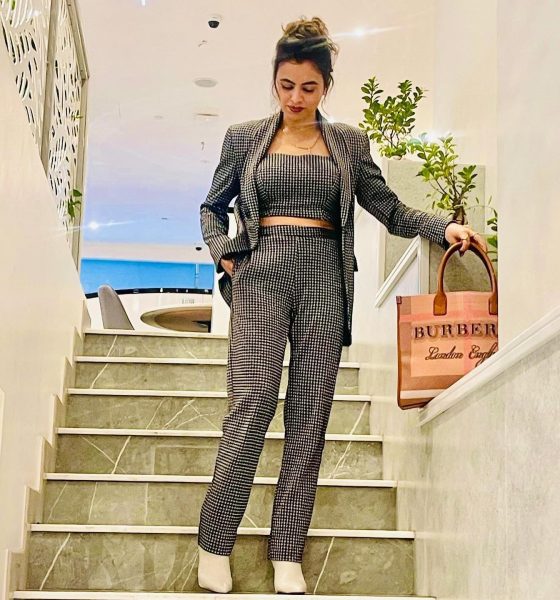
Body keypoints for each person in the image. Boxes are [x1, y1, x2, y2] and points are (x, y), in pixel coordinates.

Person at [197, 16, 487, 594]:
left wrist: (443, 226)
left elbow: (390, 208)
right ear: (274, 81)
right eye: (286, 85)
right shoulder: (243, 137)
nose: (296, 98)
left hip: (325, 281)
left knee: (310, 416)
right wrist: (225, 251)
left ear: (326, 86)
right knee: (250, 406)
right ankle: (215, 542)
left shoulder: (348, 142)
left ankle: (287, 552)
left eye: (308, 87)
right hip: (260, 274)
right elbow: (212, 206)